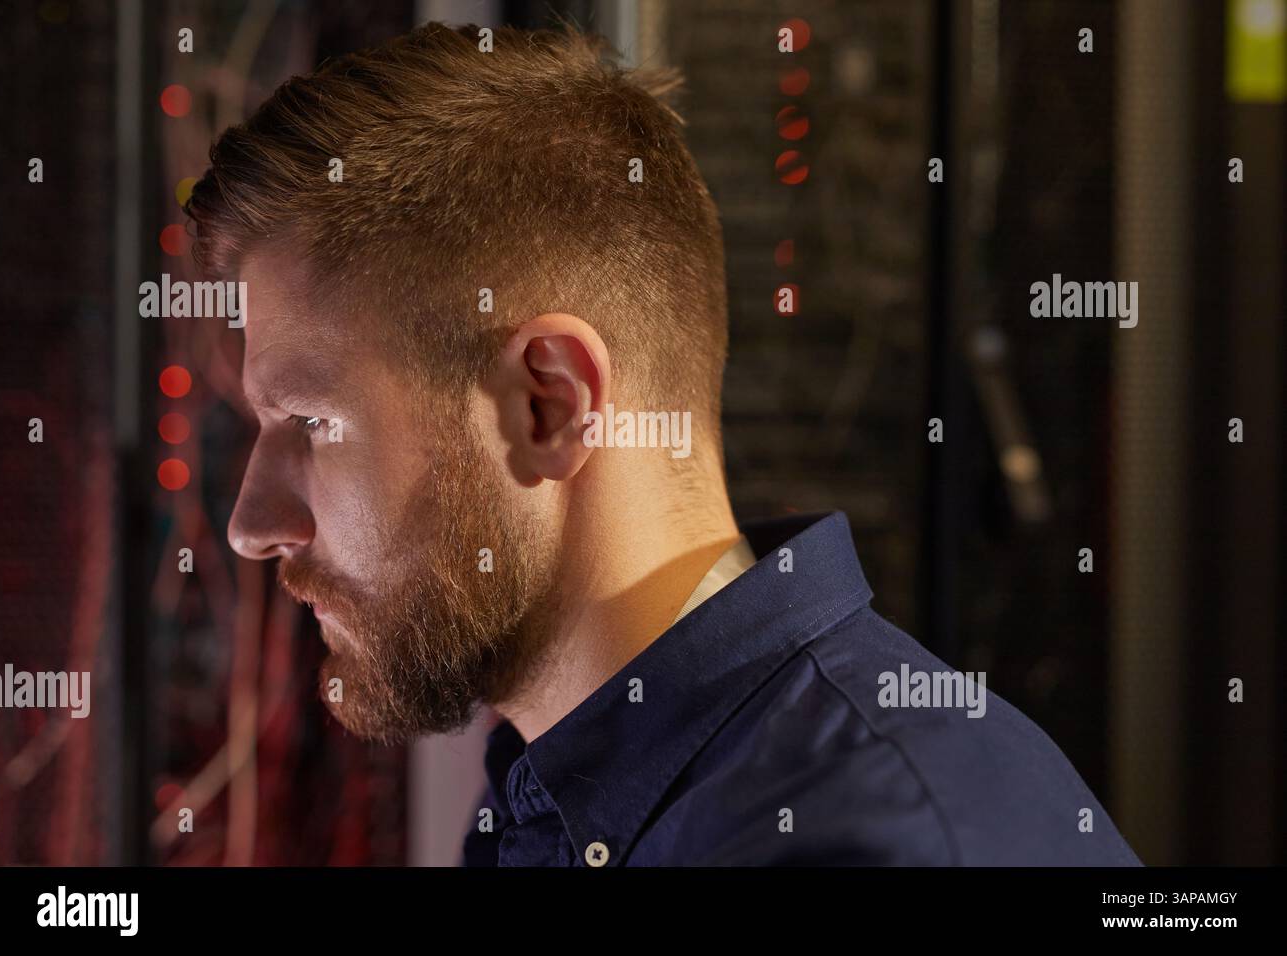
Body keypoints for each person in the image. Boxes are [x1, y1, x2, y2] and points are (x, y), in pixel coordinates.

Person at [188, 23, 1140, 867]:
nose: (251, 526)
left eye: (310, 423)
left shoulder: (871, 843)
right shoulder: (562, 786)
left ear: (549, 405)